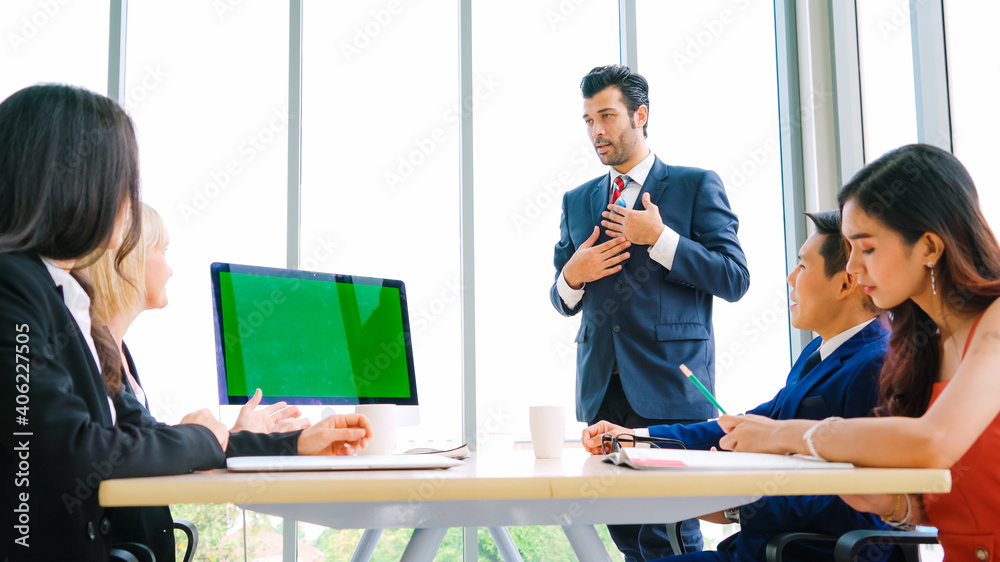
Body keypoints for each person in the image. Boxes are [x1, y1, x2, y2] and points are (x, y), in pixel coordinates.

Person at [0, 84, 371, 561]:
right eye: (122, 184)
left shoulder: (67, 300)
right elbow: (70, 453)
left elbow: (137, 438)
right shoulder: (14, 284)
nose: (130, 206)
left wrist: (296, 442)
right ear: (70, 182)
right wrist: (198, 436)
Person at [719, 144, 1000, 561]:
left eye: (866, 248)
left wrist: (785, 435)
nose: (851, 266)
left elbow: (934, 442)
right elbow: (963, 500)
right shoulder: (920, 347)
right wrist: (895, 505)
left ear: (928, 247)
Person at [583, 210, 898, 561]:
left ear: (845, 283)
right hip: (757, 550)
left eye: (803, 267)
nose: (792, 278)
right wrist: (637, 438)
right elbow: (741, 426)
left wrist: (738, 504)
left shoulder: (877, 364)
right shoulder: (818, 352)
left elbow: (860, 504)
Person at [550, 64, 750, 558]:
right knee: (625, 535)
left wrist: (659, 239)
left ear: (640, 115)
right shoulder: (577, 201)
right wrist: (574, 274)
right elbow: (560, 297)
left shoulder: (695, 185)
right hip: (603, 392)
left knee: (669, 536)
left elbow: (734, 278)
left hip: (669, 390)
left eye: (607, 116)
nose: (597, 130)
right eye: (588, 120)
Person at [79, 203, 311, 559]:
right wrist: (215, 437)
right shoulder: (89, 353)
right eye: (163, 251)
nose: (170, 269)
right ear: (128, 260)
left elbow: (146, 446)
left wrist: (234, 436)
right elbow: (122, 454)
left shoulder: (119, 352)